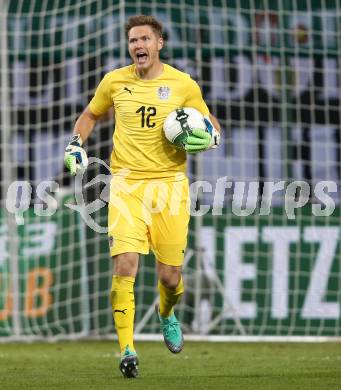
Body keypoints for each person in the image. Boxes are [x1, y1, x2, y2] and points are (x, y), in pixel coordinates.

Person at [64, 14, 221, 378]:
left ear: (159, 44)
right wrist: (75, 144)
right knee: (125, 265)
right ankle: (127, 350)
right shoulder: (114, 81)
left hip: (170, 187)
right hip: (126, 185)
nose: (138, 46)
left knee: (170, 278)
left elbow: (211, 125)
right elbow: (89, 115)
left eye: (145, 40)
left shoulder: (183, 84)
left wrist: (210, 138)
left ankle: (166, 314)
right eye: (133, 41)